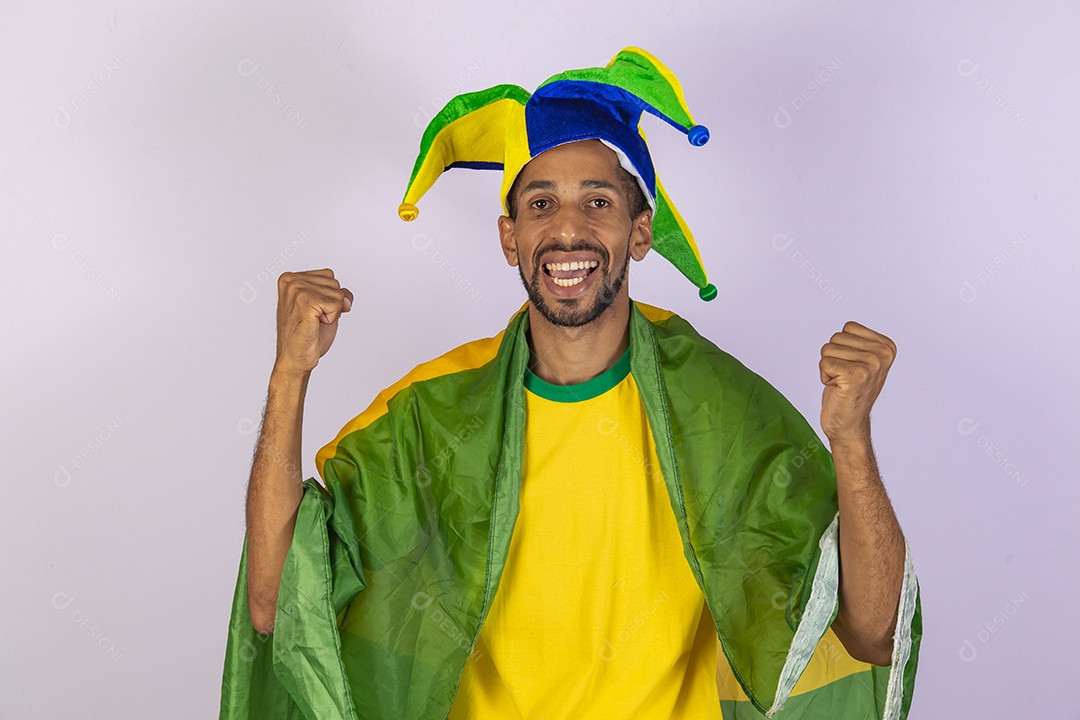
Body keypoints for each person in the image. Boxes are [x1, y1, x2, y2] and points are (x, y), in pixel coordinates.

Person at [220, 48, 921, 720]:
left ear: (639, 232)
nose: (568, 230)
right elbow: (274, 602)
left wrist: (850, 437)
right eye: (541, 205)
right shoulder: (430, 417)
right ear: (510, 238)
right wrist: (290, 375)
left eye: (597, 203)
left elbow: (873, 634)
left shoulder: (719, 410)